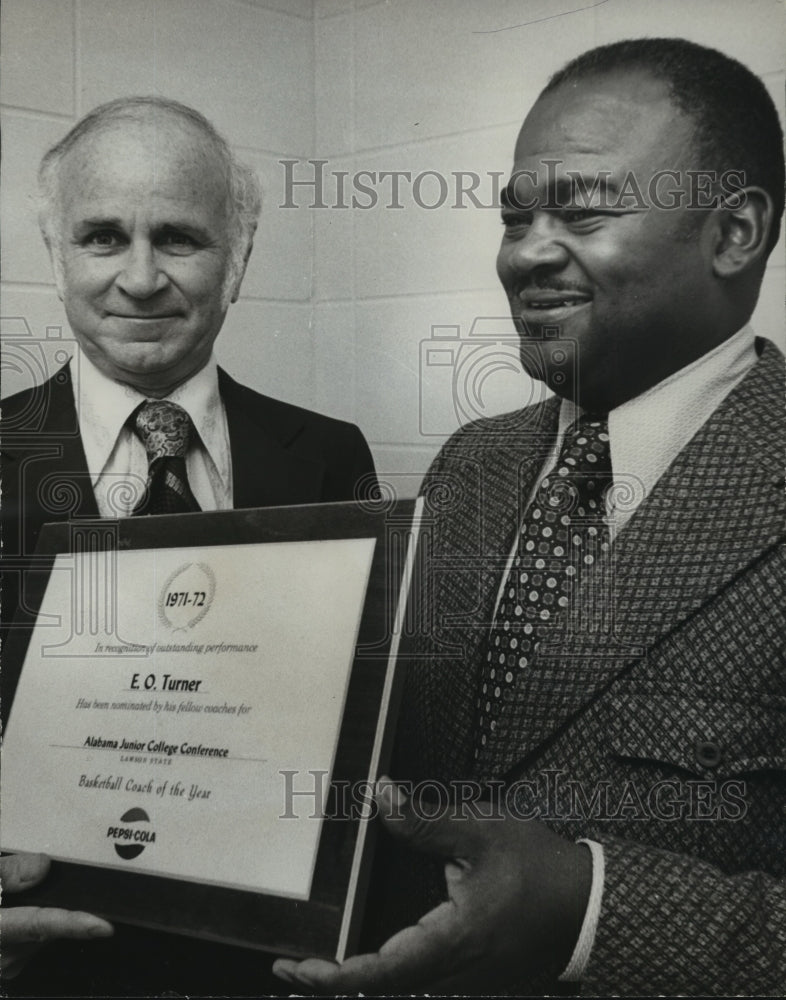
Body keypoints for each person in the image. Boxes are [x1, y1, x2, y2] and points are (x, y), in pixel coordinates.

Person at [273, 38, 786, 996]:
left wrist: (589, 909)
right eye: (517, 217)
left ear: (734, 233)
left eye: (584, 212)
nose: (528, 253)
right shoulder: (471, 465)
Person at [1, 96, 376, 996]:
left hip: (269, 964)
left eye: (179, 238)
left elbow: (362, 727)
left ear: (238, 259)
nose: (139, 278)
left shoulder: (329, 455)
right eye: (101, 237)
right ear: (55, 257)